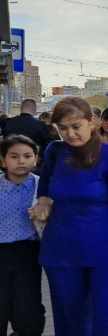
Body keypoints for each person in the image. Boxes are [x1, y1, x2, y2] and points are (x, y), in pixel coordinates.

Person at [28, 97, 108, 336]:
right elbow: (45, 186)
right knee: (70, 321)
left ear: (92, 122)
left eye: (76, 126)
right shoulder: (54, 152)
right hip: (61, 252)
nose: (69, 134)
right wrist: (43, 203)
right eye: (62, 128)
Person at [0, 135, 46, 336]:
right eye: (14, 156)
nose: (21, 161)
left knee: (28, 310)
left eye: (27, 156)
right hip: (1, 252)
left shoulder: (42, 187)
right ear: (3, 160)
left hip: (28, 254)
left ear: (36, 159)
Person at [1, 99, 52, 168]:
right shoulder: (40, 125)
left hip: (12, 165)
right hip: (34, 165)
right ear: (35, 110)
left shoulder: (8, 123)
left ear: (21, 109)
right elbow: (47, 147)